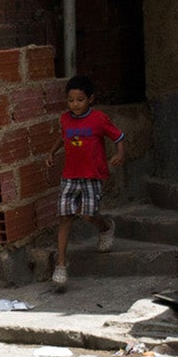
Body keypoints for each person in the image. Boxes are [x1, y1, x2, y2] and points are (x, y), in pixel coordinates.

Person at [50, 75, 124, 289]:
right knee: (64, 216)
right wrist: (51, 153)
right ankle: (61, 264)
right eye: (71, 100)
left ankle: (105, 227)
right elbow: (63, 137)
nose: (75, 104)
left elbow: (118, 136)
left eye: (80, 100)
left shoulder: (99, 119)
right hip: (70, 176)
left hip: (93, 175)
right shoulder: (65, 119)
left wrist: (120, 154)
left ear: (90, 99)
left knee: (88, 214)